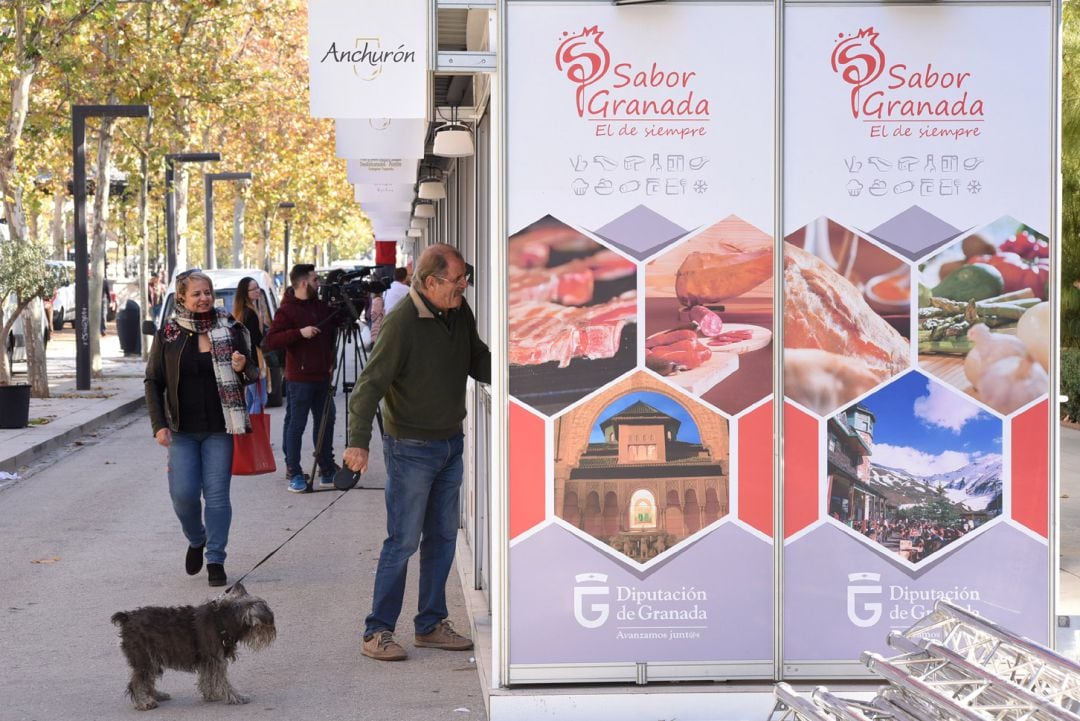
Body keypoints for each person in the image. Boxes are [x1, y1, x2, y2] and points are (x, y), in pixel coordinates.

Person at [343, 244, 490, 662]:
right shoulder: (401, 323)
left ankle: (429, 625)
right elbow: (369, 386)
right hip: (409, 447)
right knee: (403, 541)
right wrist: (357, 442)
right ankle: (377, 631)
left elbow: (476, 358)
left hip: (450, 443)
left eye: (466, 277)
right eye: (458, 279)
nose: (464, 286)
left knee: (443, 538)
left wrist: (523, 372)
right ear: (429, 282)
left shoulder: (458, 311)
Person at [144, 270, 259, 587]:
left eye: (207, 292)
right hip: (181, 431)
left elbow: (253, 373)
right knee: (183, 496)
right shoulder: (168, 334)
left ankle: (216, 559)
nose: (204, 298)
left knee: (218, 497)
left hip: (219, 429)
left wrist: (242, 367)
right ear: (182, 297)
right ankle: (197, 538)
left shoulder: (231, 328)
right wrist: (158, 425)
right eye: (196, 293)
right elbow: (153, 381)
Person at [265, 264, 339, 493]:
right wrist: (299, 333)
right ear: (304, 282)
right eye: (316, 280)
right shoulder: (287, 310)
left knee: (326, 421)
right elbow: (271, 340)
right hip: (299, 378)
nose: (319, 284)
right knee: (297, 425)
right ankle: (294, 472)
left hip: (322, 376)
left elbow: (335, 326)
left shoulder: (320, 306)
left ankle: (326, 468)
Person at [233, 277, 271, 413]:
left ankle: (248, 432)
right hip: (255, 361)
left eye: (257, 287)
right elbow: (255, 339)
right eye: (253, 289)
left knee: (251, 398)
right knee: (260, 399)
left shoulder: (243, 311)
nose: (257, 291)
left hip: (247, 362)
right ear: (245, 293)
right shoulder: (250, 313)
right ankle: (254, 432)